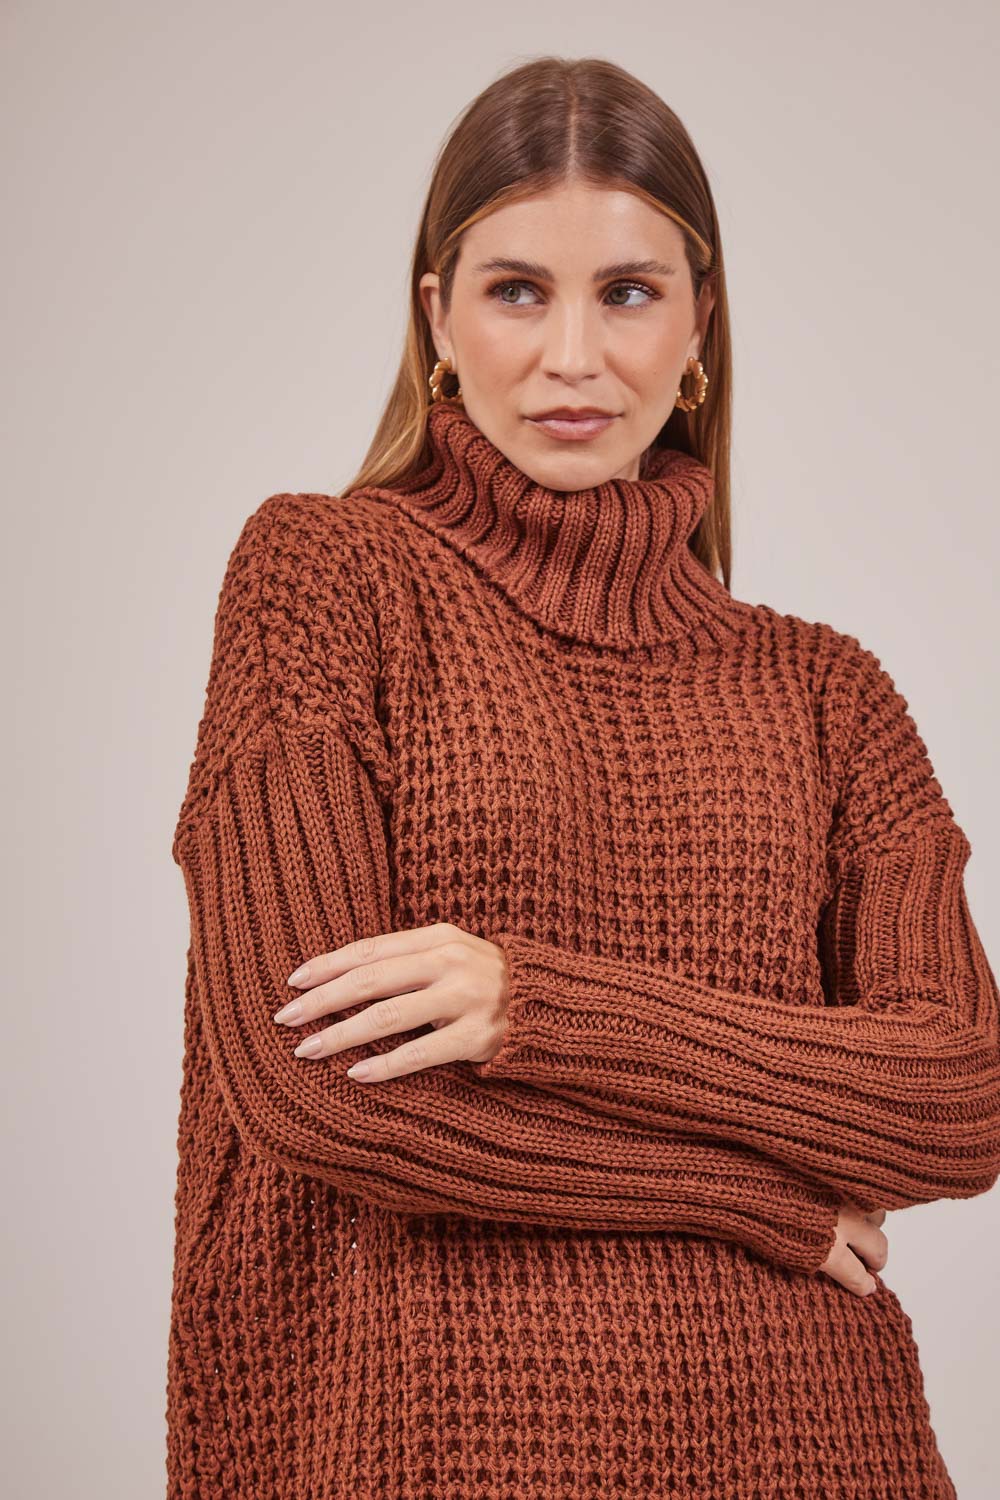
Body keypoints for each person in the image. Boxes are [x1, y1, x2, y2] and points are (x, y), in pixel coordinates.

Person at [165, 55, 1000, 1500]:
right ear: (437, 316)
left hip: (815, 1443)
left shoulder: (828, 689)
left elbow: (958, 1094)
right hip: (432, 1446)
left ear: (698, 323)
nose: (572, 356)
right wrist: (757, 1199)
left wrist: (527, 1007)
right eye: (516, 291)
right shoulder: (324, 573)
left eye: (626, 291)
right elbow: (316, 1093)